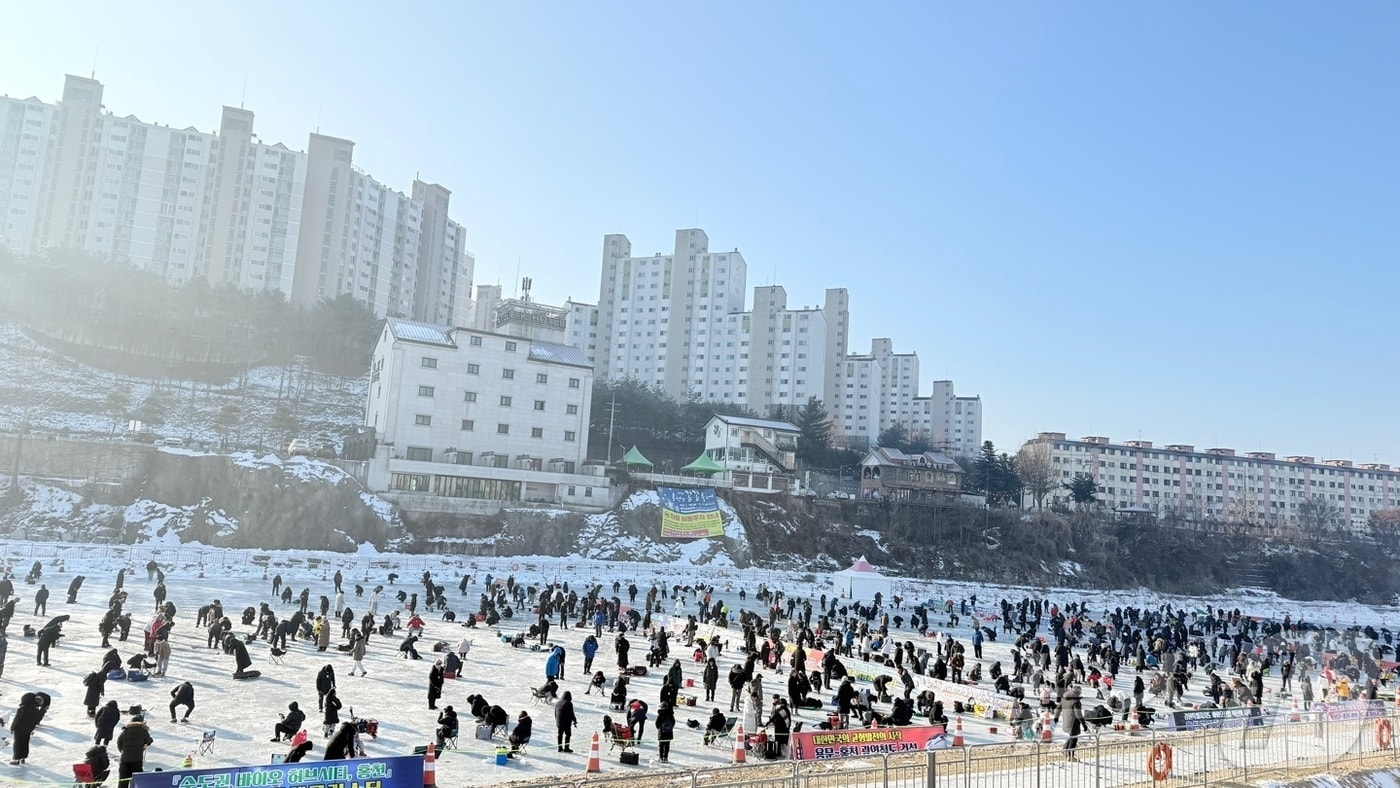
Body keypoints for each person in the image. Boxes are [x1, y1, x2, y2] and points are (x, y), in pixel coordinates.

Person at [116, 713, 152, 786]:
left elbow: (119, 742)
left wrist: (122, 750)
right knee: (137, 781)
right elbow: (148, 741)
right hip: (137, 760)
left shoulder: (125, 730)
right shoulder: (143, 731)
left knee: (123, 781)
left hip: (125, 759)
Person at [9, 692, 42, 765]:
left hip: (19, 730)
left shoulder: (22, 709)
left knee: (18, 744)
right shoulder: (36, 710)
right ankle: (23, 758)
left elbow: (17, 719)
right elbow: (35, 721)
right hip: (28, 730)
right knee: (25, 743)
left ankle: (16, 759)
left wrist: (12, 728)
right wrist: (32, 728)